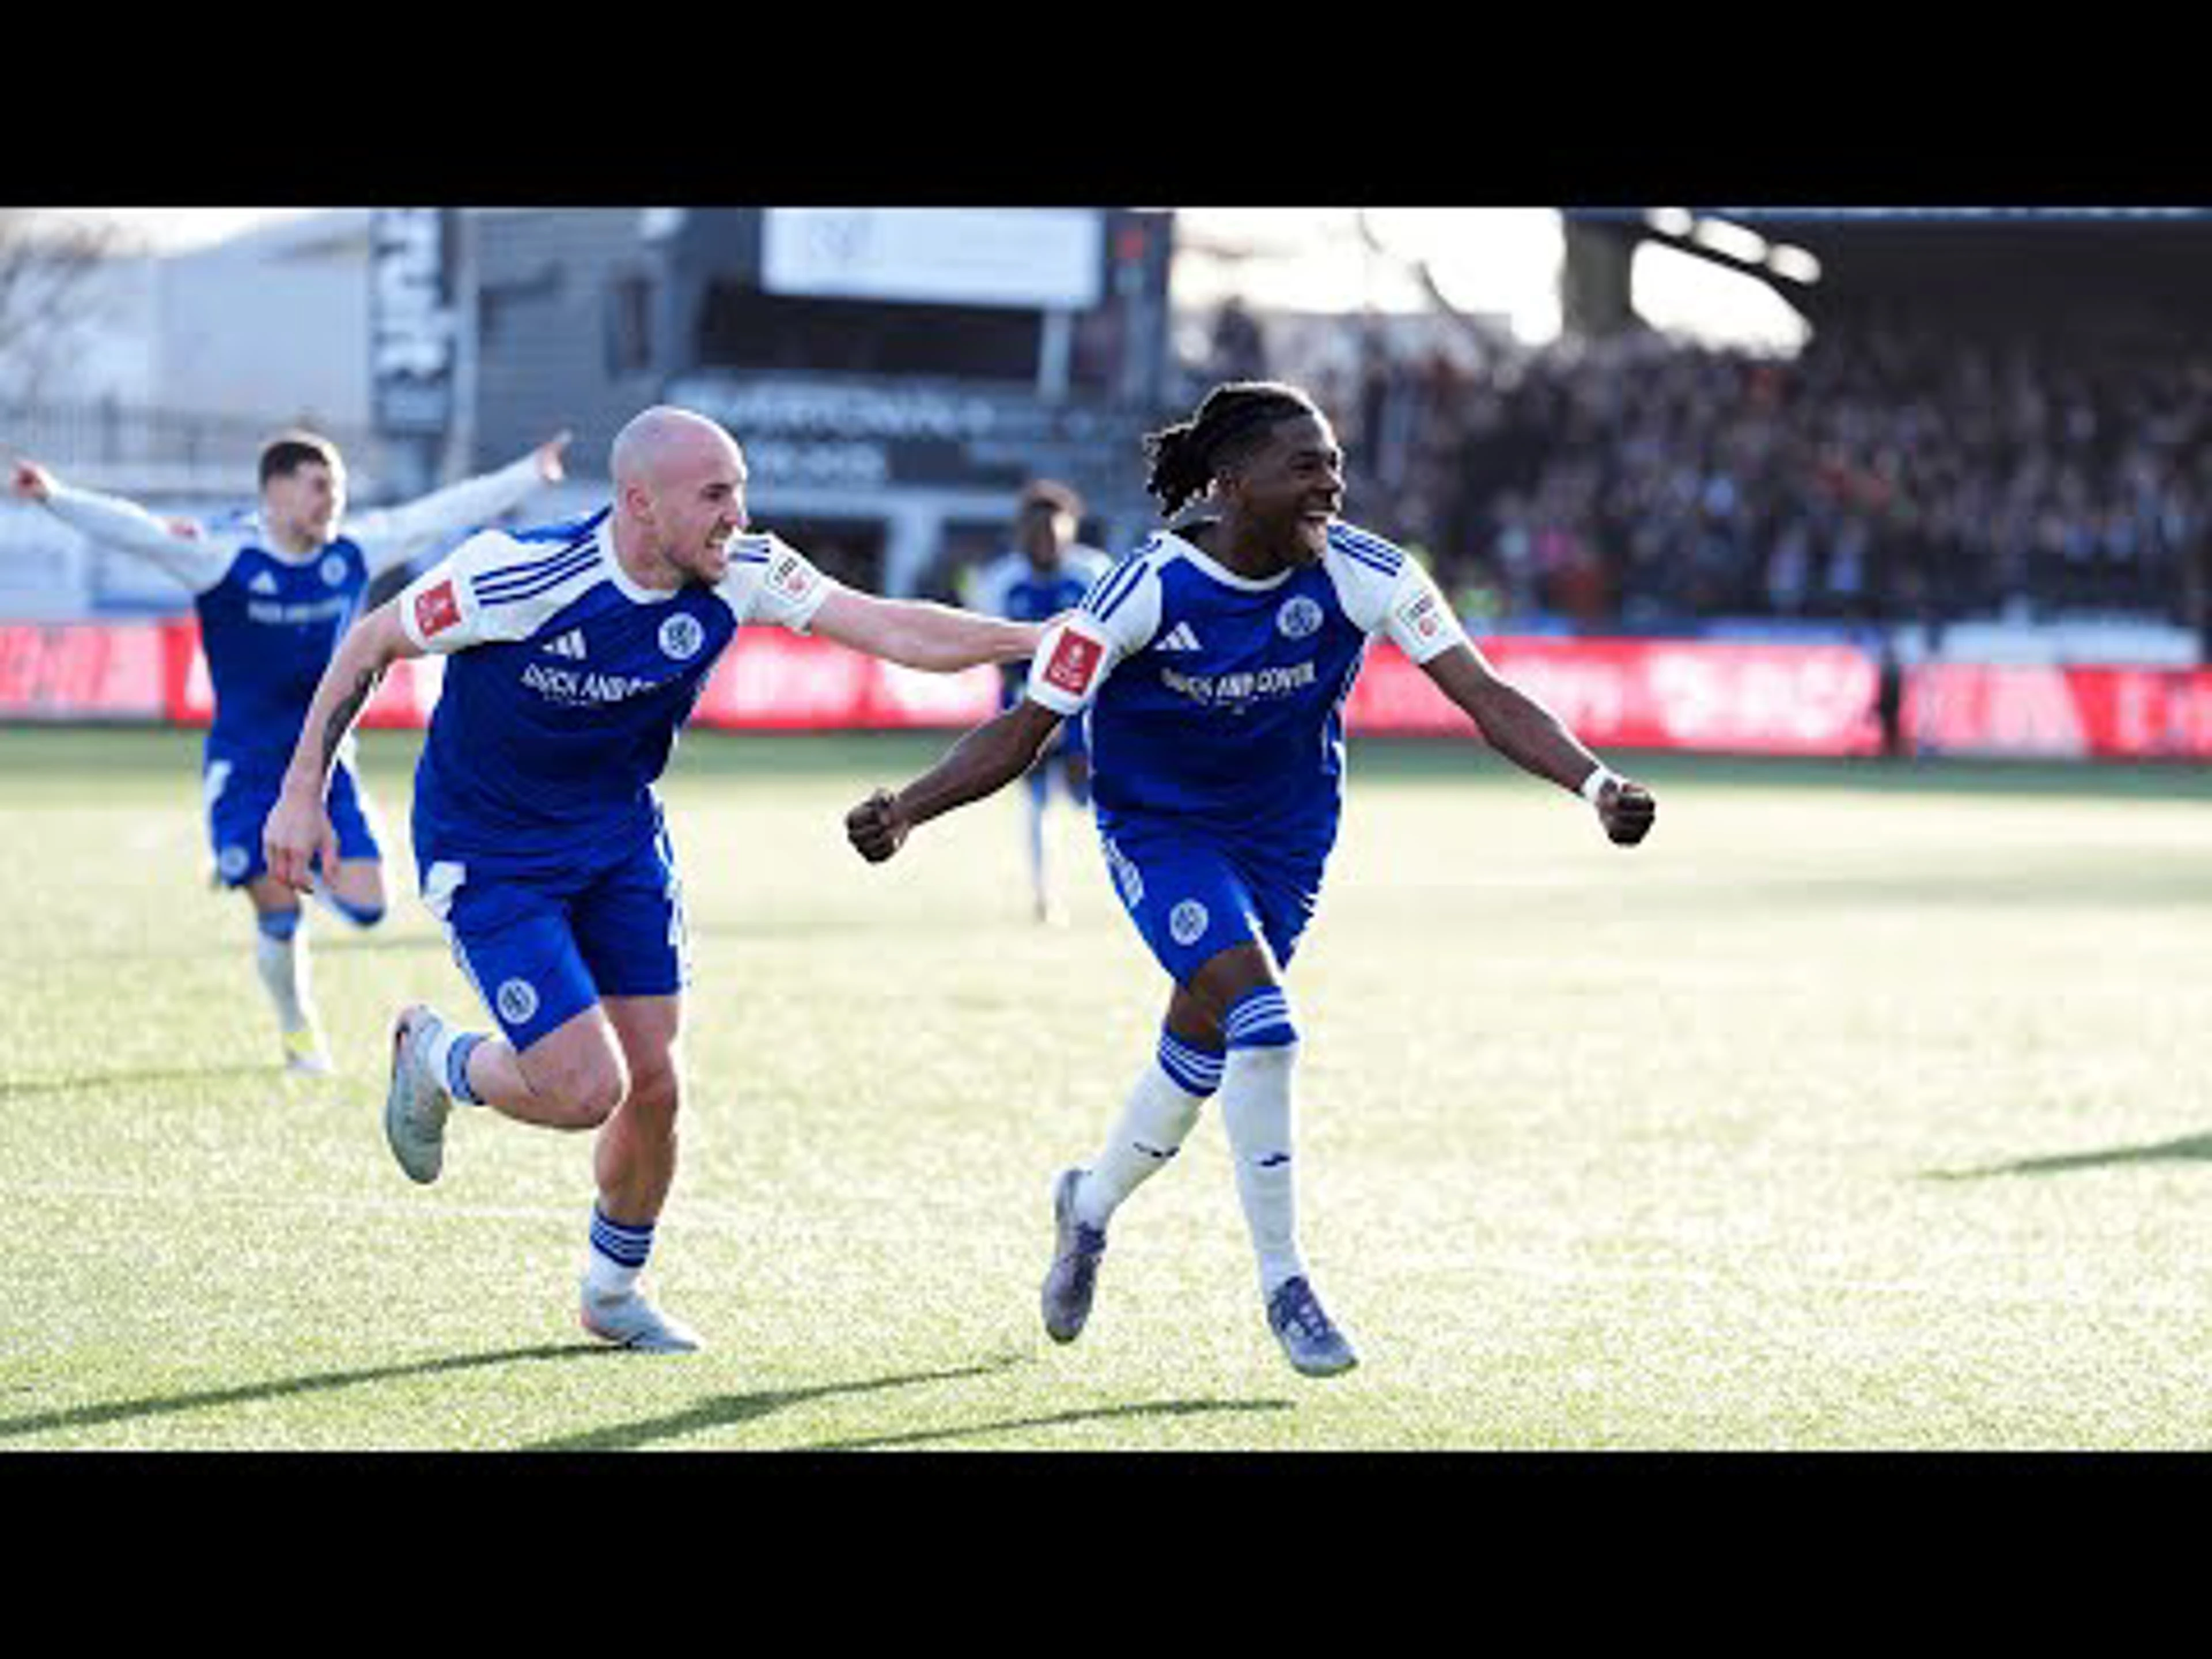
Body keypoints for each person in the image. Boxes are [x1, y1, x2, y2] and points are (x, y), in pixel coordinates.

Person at [845, 380, 1656, 1378]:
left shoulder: (1369, 573)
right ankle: (1288, 1286)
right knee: (1264, 1027)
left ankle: (1087, 1205)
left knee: (1199, 1054)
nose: (1332, 485)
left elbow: (1484, 696)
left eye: (1336, 465)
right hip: (1164, 832)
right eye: (1306, 466)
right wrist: (909, 810)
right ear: (1232, 485)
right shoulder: (1143, 589)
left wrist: (1595, 783)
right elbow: (1027, 728)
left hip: (1286, 844)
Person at [262, 405, 1045, 1354]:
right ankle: (436, 1058)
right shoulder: (517, 574)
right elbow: (370, 644)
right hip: (493, 852)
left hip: (620, 843)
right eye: (716, 495)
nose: (738, 515)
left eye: (741, 491)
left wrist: (1034, 641)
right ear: (640, 503)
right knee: (584, 1087)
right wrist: (302, 792)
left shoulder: (745, 569)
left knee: (657, 1085)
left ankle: (613, 1292)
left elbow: (892, 631)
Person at [7, 429, 570, 1073]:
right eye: (319, 487)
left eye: (338, 489)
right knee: (279, 912)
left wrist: (528, 471)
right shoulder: (223, 556)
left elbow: (443, 511)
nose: (332, 501)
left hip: (329, 763)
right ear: (275, 492)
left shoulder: (354, 551)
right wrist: (53, 496)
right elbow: (135, 531)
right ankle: (300, 1035)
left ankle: (249, 862)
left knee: (367, 905)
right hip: (247, 766)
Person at [966, 480, 1112, 923]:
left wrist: (1078, 726)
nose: (1046, 541)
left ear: (1072, 531)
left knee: (1099, 800)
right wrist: (1034, 719)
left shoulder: (1094, 573)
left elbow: (1110, 653)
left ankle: (1125, 885)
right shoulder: (999, 582)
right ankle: (1045, 895)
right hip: (1024, 704)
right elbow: (998, 657)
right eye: (1037, 531)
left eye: (1055, 531)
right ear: (1021, 533)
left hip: (1088, 709)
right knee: (1037, 804)